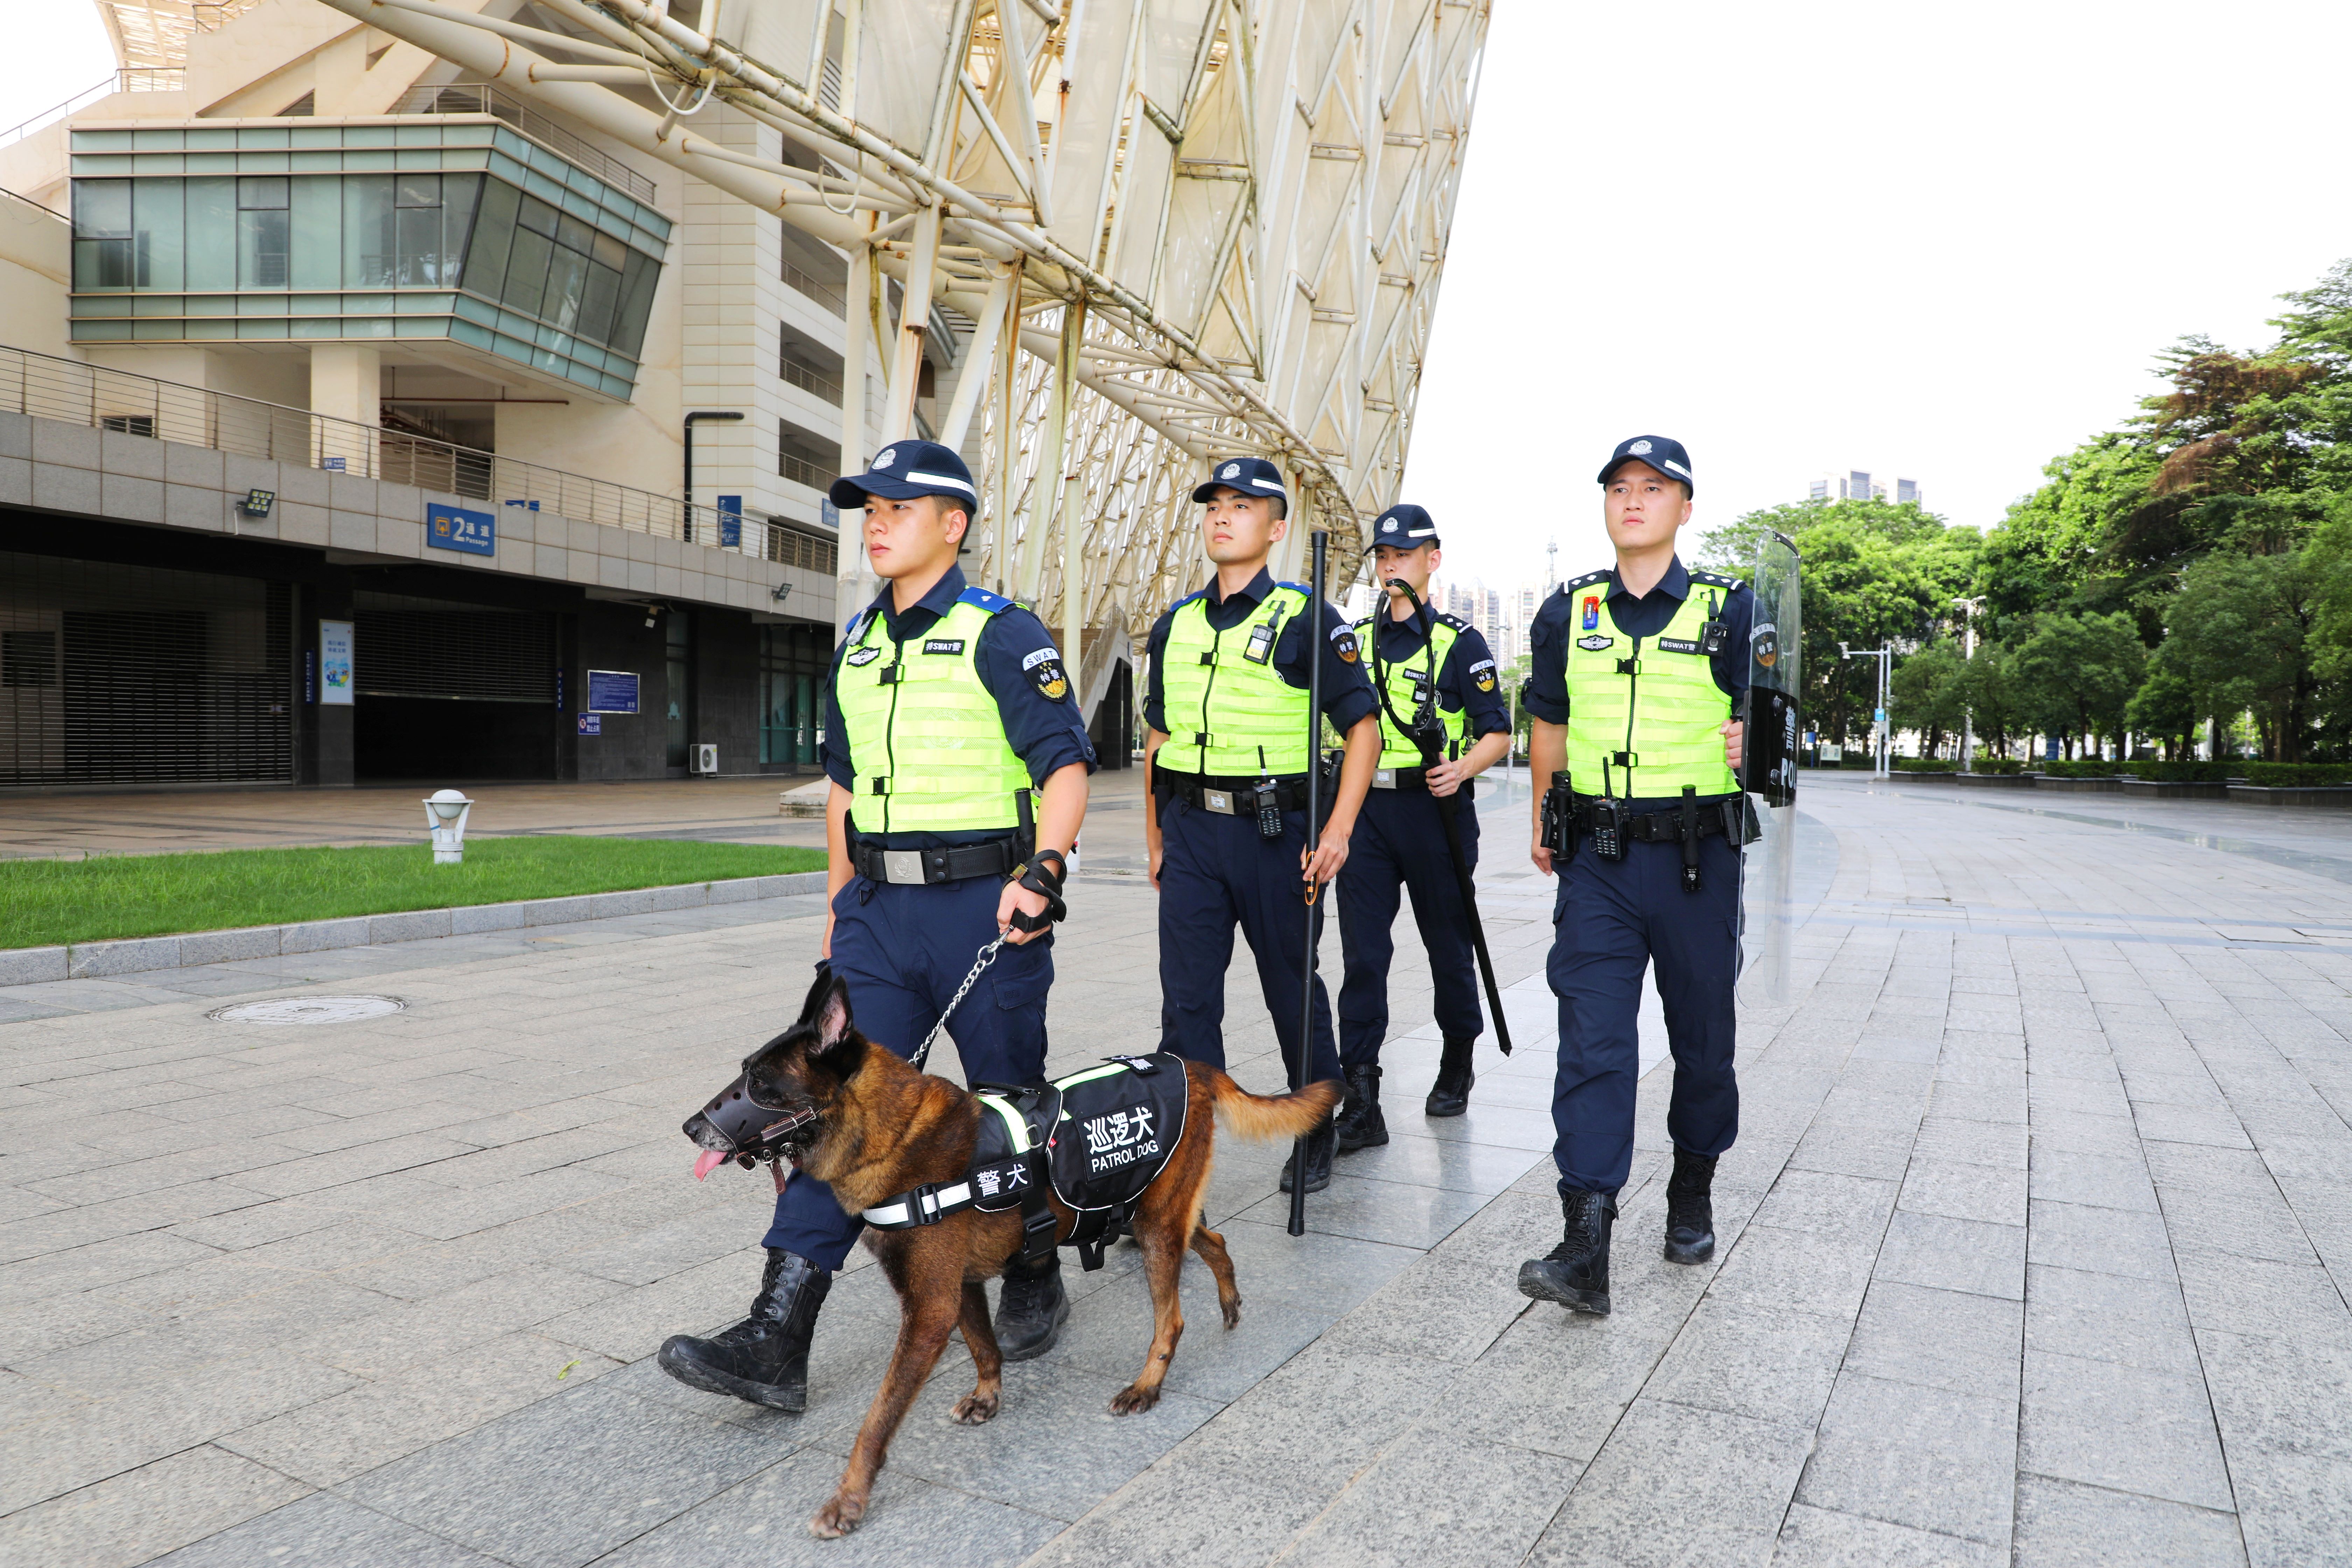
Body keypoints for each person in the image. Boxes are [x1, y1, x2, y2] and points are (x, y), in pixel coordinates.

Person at [658, 440, 1096, 1409]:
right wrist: (837, 906)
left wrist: (1045, 872)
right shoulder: (856, 644)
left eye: (901, 505)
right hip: (879, 917)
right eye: (870, 508)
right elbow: (844, 792)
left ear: (956, 525)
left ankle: (1031, 1267)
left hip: (986, 904)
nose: (878, 520)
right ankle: (779, 1332)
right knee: (832, 1110)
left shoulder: (1002, 633)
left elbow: (1066, 767)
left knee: (1008, 1101)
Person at [1517, 435, 1751, 1316]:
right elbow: (1549, 723)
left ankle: (1693, 1182)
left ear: (1685, 507)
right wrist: (1548, 818)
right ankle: (1586, 1240)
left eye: (1655, 488)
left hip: (1699, 860)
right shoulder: (1566, 611)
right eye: (1619, 487)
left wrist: (1754, 742)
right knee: (1593, 1045)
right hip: (1600, 864)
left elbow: (1773, 727)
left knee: (1703, 1042)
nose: (1634, 500)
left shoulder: (1732, 609)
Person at [1142, 456, 1381, 1194]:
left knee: (1290, 988)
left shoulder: (1306, 617)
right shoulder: (1174, 624)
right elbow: (1157, 736)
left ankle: (1316, 1120)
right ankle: (1182, 1153)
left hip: (1276, 834)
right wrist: (1154, 840)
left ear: (1275, 529)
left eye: (1242, 505)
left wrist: (1338, 829)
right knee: (1186, 1000)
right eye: (1214, 502)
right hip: (1190, 830)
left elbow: (1363, 727)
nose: (1222, 514)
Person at [1332, 504, 1513, 1150]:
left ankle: (1457, 1059)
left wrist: (1462, 769)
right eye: (1383, 557)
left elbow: (1499, 729)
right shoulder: (1353, 638)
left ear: (1432, 561)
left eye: (1403, 556)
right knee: (1362, 955)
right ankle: (1361, 1093)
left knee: (1447, 946)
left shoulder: (1461, 642)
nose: (1391, 567)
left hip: (1435, 813)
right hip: (1369, 816)